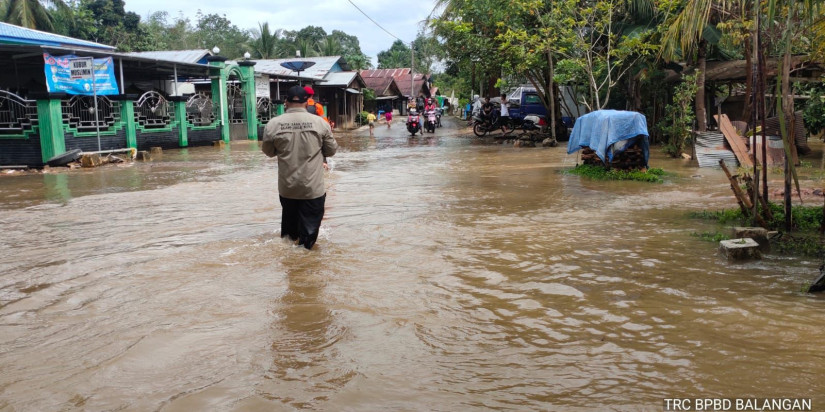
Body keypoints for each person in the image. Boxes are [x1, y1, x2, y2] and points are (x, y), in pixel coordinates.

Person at [262, 85, 338, 250]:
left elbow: (268, 152)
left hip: (287, 188)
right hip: (312, 189)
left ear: (286, 102)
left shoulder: (273, 124)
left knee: (289, 237)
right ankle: (305, 270)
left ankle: (290, 271)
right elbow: (331, 151)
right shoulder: (321, 123)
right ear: (306, 103)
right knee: (307, 242)